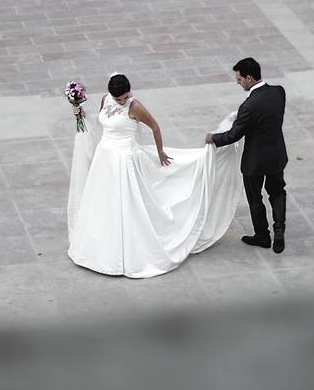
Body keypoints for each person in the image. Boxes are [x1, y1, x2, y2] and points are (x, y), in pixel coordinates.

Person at [67, 73, 243, 278]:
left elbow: (155, 127)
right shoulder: (105, 99)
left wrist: (160, 152)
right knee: (104, 201)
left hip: (125, 160)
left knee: (127, 203)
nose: (123, 101)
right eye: (119, 99)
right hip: (105, 158)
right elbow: (102, 121)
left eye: (125, 97)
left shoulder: (135, 107)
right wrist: (81, 113)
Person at [205, 57, 288, 253]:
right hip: (276, 154)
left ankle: (262, 236)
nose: (238, 82)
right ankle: (279, 231)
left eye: (239, 79)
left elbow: (234, 135)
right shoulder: (279, 92)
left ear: (249, 78)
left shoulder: (249, 106)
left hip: (255, 161)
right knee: (277, 192)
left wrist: (213, 138)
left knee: (255, 197)